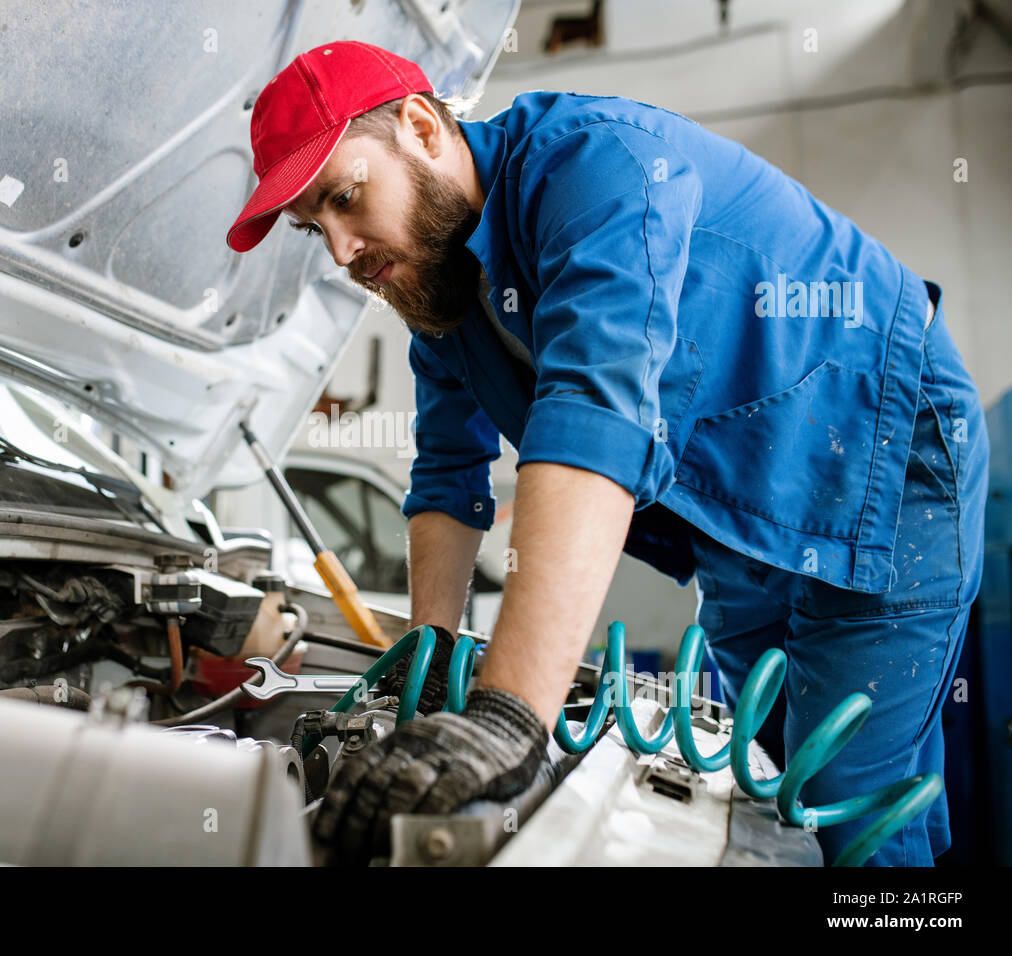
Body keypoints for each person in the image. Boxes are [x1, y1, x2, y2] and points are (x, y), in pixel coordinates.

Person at [225, 40, 988, 867]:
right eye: (314, 229)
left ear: (420, 126)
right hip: (738, 515)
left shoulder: (595, 166)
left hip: (882, 451)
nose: (341, 251)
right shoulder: (442, 294)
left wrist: (508, 717)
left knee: (845, 812)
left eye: (345, 197)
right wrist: (426, 668)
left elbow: (596, 413)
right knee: (767, 792)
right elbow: (447, 476)